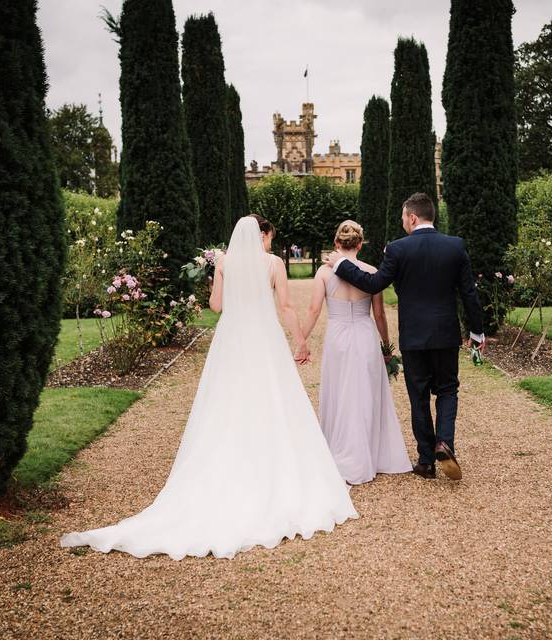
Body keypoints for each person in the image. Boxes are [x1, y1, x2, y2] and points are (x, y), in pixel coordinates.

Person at [61, 215, 357, 560]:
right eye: (269, 237)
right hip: (263, 339)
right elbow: (286, 306)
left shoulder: (224, 262)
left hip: (232, 338)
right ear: (262, 235)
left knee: (227, 402)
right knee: (272, 400)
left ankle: (228, 463)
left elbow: (216, 306)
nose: (270, 243)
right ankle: (269, 467)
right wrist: (300, 340)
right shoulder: (273, 263)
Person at [325, 193, 484, 481]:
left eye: (402, 218)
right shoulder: (455, 246)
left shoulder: (397, 249)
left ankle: (426, 462)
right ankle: (444, 442)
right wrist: (476, 331)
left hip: (414, 337)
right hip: (446, 334)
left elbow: (373, 283)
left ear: (412, 217)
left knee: (419, 395)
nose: (402, 223)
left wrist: (340, 264)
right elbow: (469, 294)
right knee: (448, 390)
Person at [301, 220, 412, 485]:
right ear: (360, 244)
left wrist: (301, 341)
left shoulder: (324, 274)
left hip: (338, 337)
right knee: (365, 391)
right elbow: (379, 315)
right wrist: (385, 345)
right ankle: (370, 454)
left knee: (340, 391)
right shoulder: (371, 271)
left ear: (337, 243)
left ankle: (339, 449)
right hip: (364, 335)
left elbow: (313, 310)